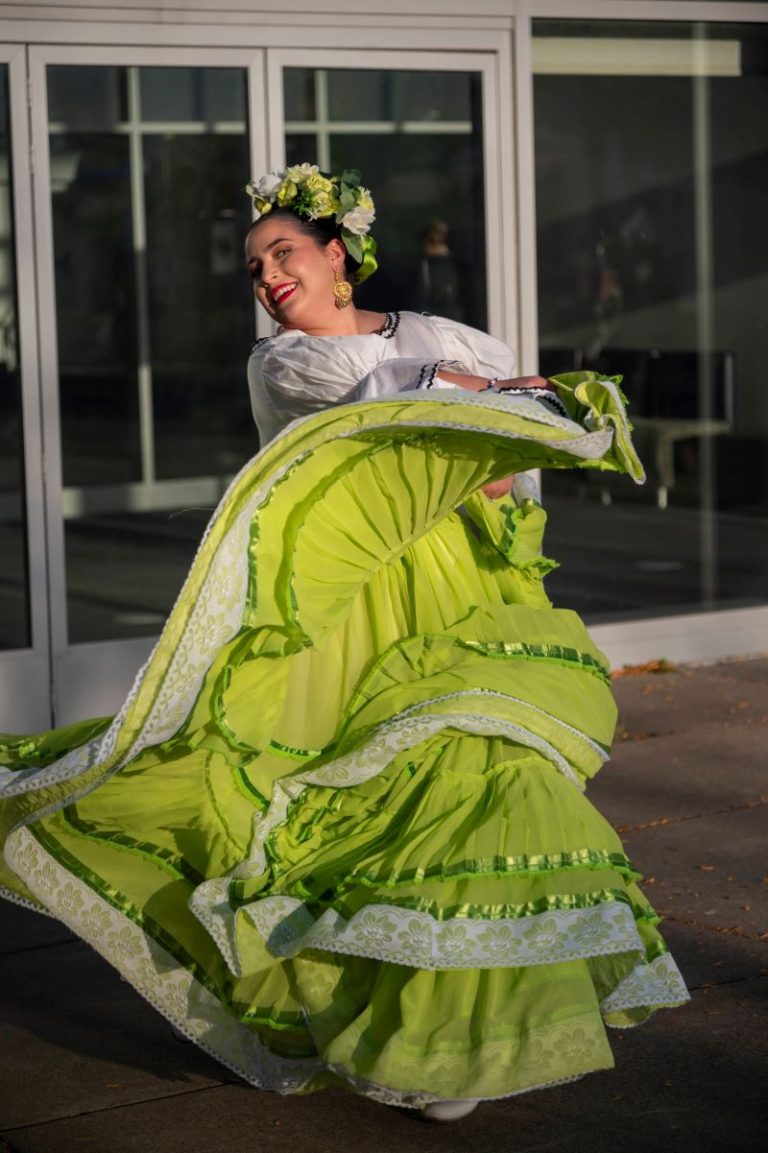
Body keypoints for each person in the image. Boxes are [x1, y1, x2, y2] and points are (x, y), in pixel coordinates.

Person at [0, 164, 687, 1124]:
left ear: (338, 257)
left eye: (283, 252)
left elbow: (498, 451)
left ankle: (449, 1036)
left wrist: (494, 416)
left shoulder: (442, 337)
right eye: (252, 266)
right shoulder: (285, 364)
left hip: (462, 600)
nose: (267, 275)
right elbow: (409, 414)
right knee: (354, 806)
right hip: (355, 613)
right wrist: (485, 403)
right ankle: (381, 1020)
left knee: (489, 783)